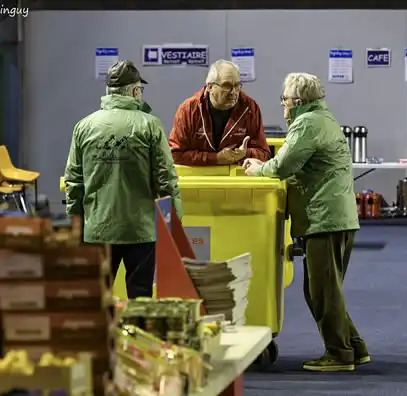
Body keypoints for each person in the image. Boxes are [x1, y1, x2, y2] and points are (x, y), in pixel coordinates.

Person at [243, 73, 368, 372]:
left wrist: (259, 169)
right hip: (333, 217)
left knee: (321, 291)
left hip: (325, 219)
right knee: (324, 289)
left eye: (285, 100)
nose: (283, 106)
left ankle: (339, 354)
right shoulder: (322, 118)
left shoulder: (308, 123)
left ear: (297, 102)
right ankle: (354, 346)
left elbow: (284, 165)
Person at [64, 60, 182, 299]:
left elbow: (74, 181)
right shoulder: (150, 125)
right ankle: (137, 337)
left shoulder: (84, 127)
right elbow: (166, 180)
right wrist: (175, 222)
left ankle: (98, 337)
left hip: (96, 230)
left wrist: (75, 224)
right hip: (140, 230)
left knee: (96, 298)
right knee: (140, 299)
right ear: (135, 91)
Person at [169, 60, 271, 166]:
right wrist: (215, 159)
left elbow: (264, 154)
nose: (233, 92)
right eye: (226, 86)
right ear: (210, 87)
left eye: (237, 85)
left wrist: (245, 154)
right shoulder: (189, 110)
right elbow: (175, 154)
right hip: (199, 179)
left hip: (237, 180)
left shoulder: (250, 108)